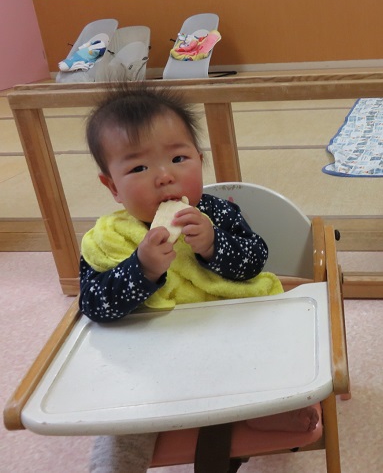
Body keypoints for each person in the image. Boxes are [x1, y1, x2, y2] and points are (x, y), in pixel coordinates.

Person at [81, 85, 319, 473]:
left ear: (200, 160)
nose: (164, 177)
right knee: (120, 420)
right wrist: (141, 270)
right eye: (139, 168)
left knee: (274, 363)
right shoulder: (109, 239)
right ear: (112, 186)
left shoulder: (217, 213)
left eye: (178, 158)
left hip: (229, 342)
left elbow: (255, 260)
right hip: (153, 361)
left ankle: (264, 410)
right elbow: (95, 306)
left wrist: (213, 245)